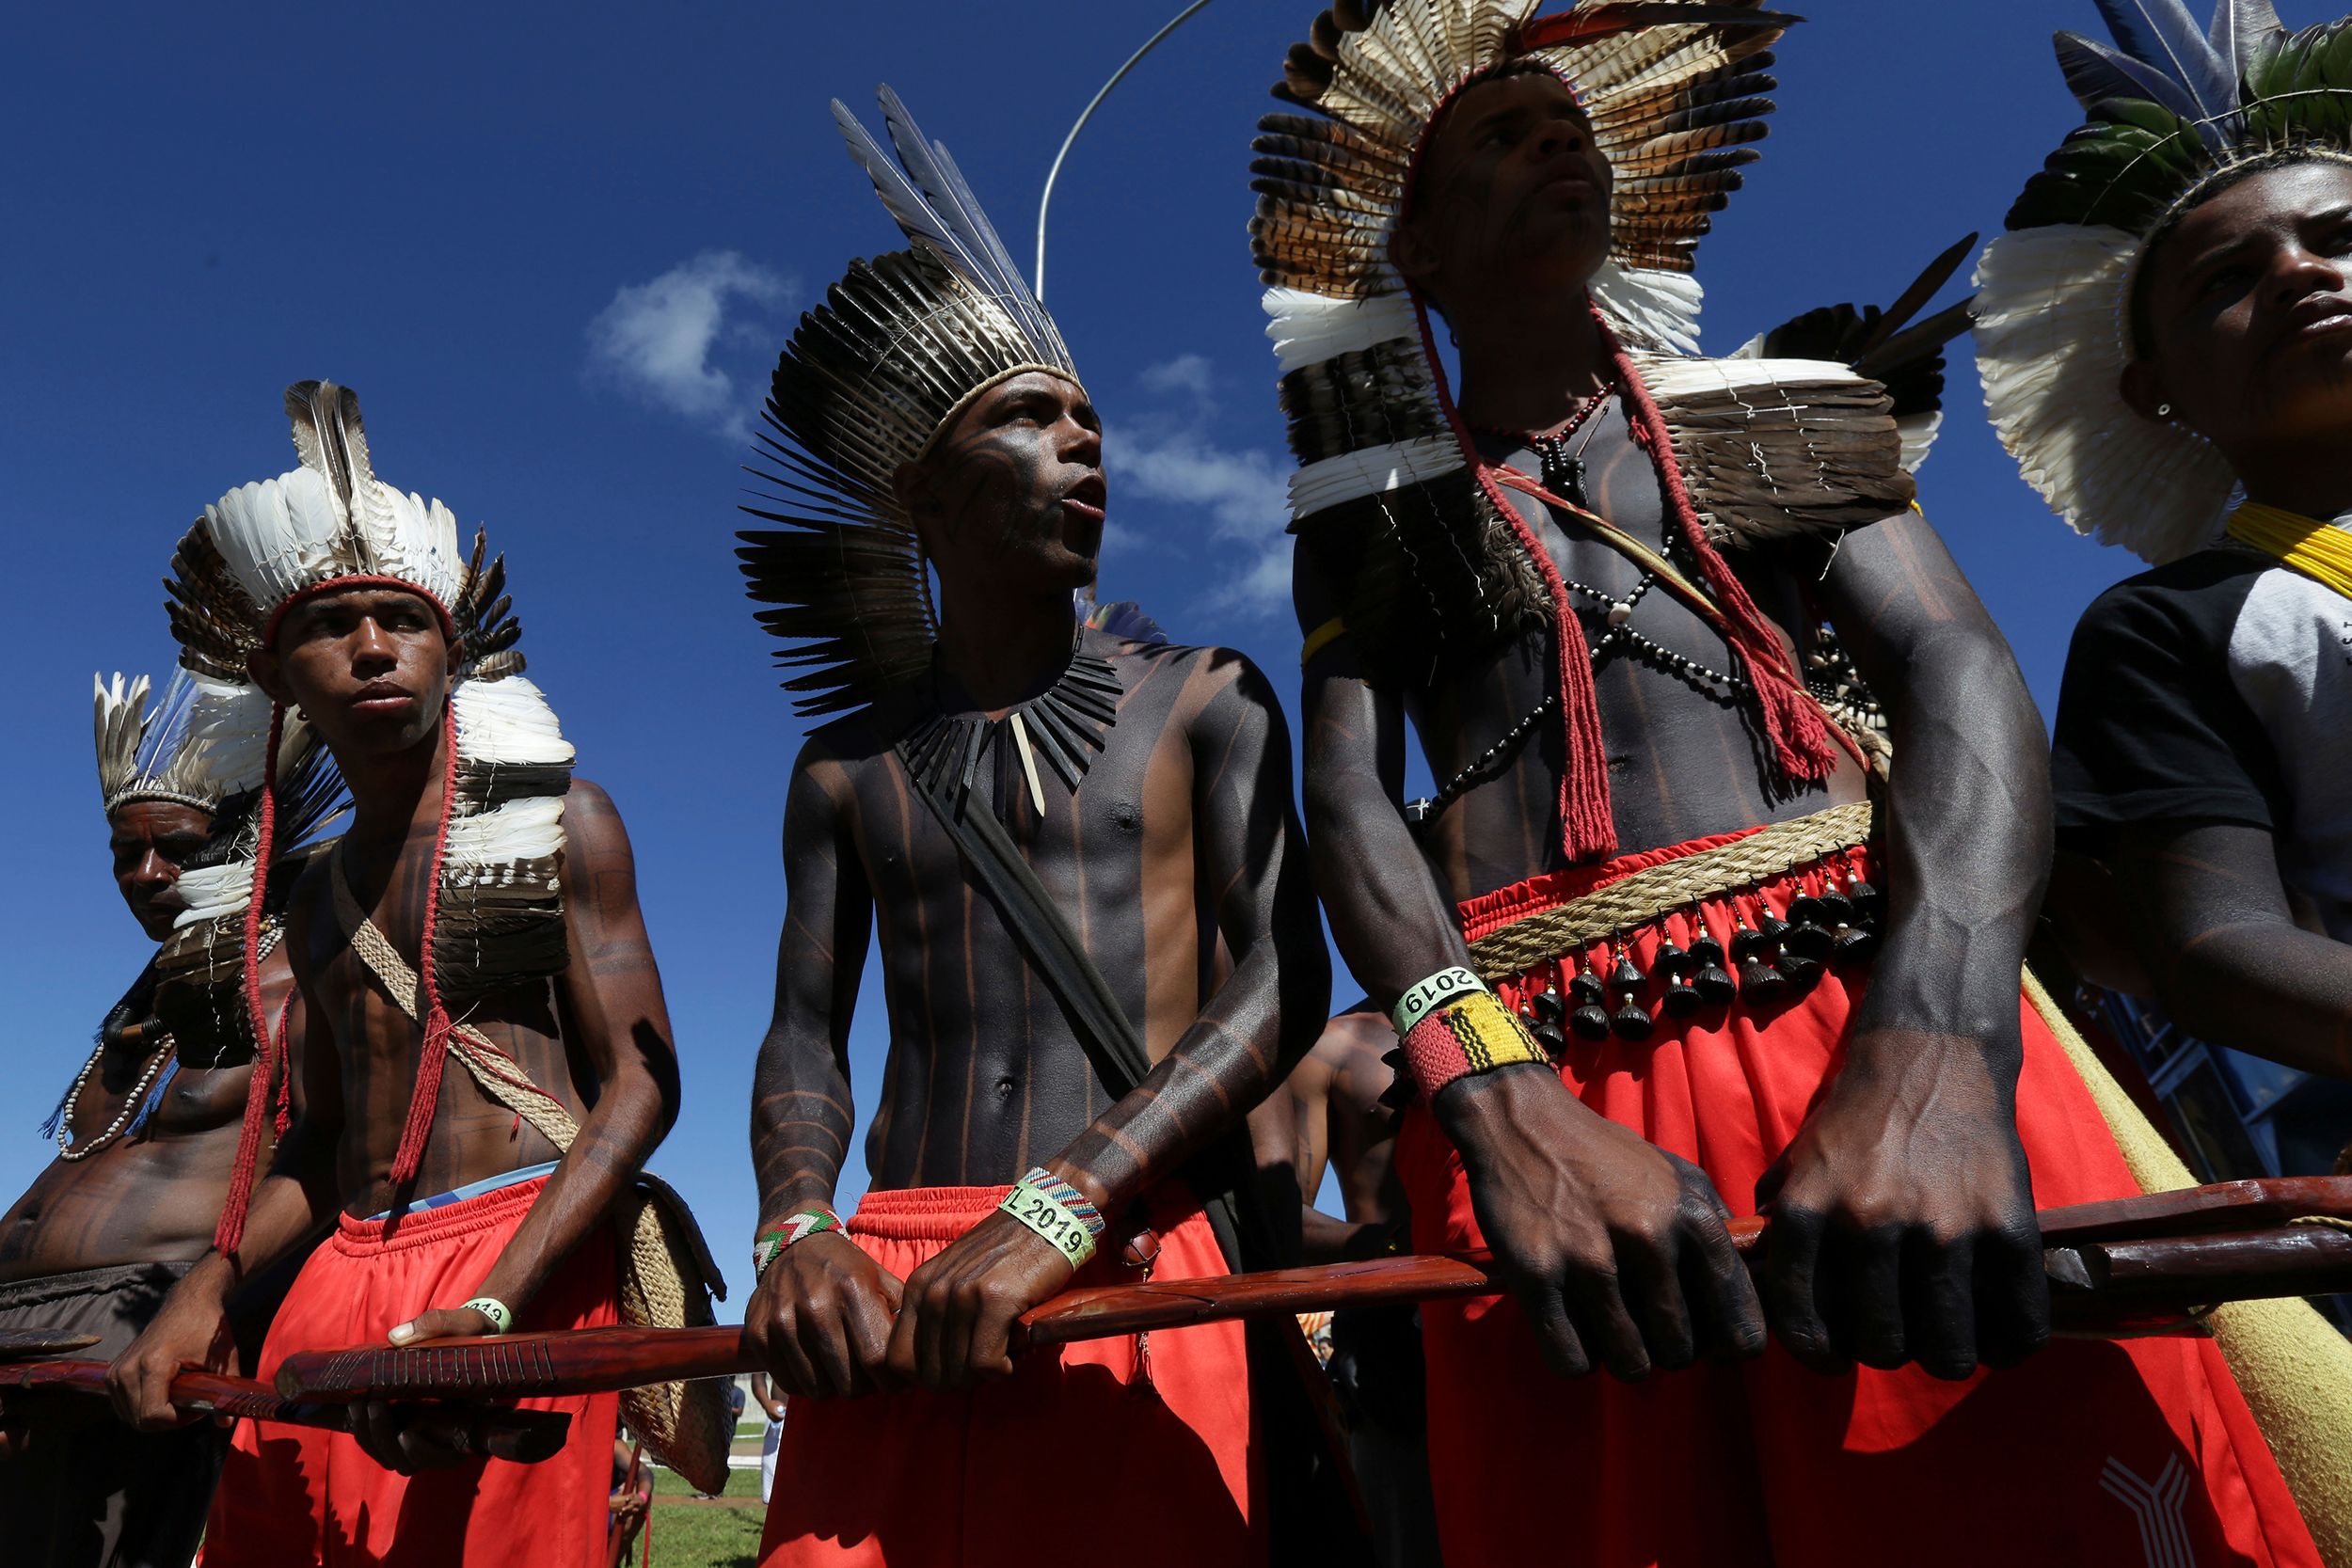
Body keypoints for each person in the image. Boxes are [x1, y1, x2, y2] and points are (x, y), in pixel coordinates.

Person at [1256, 2, 2322, 1562]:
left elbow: (1958, 671)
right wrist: (1496, 1100)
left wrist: (1939, 1055)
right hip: (1539, 1089)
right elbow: (1352, 804)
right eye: (1499, 130)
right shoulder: (1369, 521)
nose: (1559, 136)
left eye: (1570, 119)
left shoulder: (1778, 411)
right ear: (1412, 246)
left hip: (1866, 1015)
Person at [739, 91, 1326, 1568]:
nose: (1082, 444)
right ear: (923, 495)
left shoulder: (1204, 698)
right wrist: (798, 1229)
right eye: (1028, 416)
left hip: (1126, 1253)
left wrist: (1066, 1201)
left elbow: (1281, 979)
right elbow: (805, 1028)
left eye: (1090, 423)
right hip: (883, 1280)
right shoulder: (846, 770)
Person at [105, 381, 688, 1568]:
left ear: (452, 648)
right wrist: (208, 1288)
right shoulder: (314, 895)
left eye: (403, 620)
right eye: (334, 624)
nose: (373, 648)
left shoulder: (562, 824)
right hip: (341, 1275)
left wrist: (495, 1302)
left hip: (521, 1252)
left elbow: (638, 1089)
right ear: (277, 674)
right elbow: (320, 1141)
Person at [1984, 1, 2352, 1086]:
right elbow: (2218, 949)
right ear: (2153, 394)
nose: (2296, 272)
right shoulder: (2168, 628)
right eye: (2225, 280)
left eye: (2341, 237)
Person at [0, 668, 335, 1566]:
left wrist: (209, 1298)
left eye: (178, 847)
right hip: (27, 1332)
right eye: (124, 852)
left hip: (141, 1334)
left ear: (253, 837)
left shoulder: (309, 968)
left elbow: (339, 1158)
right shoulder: (148, 991)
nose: (145, 875)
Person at [1250, 1005, 1441, 1568]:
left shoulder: (1526, 996)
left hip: (1529, 1311)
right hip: (1399, 1345)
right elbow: (1280, 1219)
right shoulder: (1331, 1046)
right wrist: (1396, 1246)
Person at [749, 1371, 786, 1505]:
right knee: (770, 1493)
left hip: (813, 1414)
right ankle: (779, 1524)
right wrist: (766, 1402)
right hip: (780, 1418)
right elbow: (757, 1375)